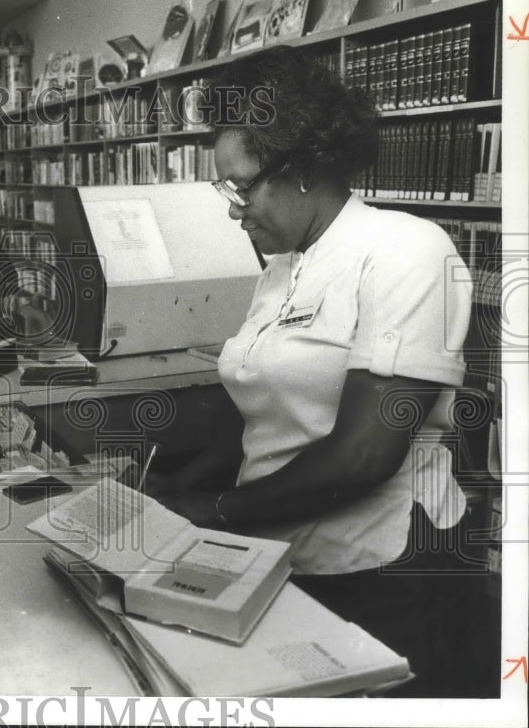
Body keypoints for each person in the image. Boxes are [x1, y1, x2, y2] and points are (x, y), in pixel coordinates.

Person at [147, 45, 478, 697]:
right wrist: (168, 493)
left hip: (379, 568)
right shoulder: (283, 269)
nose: (234, 209)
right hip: (275, 549)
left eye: (241, 185)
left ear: (302, 168)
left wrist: (208, 510)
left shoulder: (406, 249)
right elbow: (260, 406)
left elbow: (364, 456)